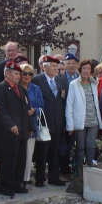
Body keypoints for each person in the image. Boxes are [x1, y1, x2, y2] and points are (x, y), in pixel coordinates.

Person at [0, 61, 34, 197]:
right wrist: (10, 125)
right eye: (16, 74)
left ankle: (17, 185)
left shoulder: (21, 89)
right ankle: (6, 186)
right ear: (7, 74)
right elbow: (1, 110)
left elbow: (26, 109)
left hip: (22, 130)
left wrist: (30, 126)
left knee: (20, 160)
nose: (19, 76)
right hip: (8, 132)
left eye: (19, 74)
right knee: (8, 161)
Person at [31, 55, 69, 187]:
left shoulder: (60, 81)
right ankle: (40, 178)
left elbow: (63, 101)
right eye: (53, 66)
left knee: (55, 152)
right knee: (42, 152)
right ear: (45, 66)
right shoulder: (37, 80)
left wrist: (64, 122)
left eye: (57, 66)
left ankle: (53, 177)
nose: (56, 68)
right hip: (44, 122)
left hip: (58, 122)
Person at [65, 59, 102, 193]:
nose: (86, 71)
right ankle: (79, 177)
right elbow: (69, 105)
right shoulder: (74, 84)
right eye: (84, 68)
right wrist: (70, 126)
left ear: (91, 71)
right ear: (80, 70)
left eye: (88, 69)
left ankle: (90, 177)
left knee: (91, 147)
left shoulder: (94, 83)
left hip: (93, 122)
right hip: (80, 122)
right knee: (80, 149)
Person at [19, 63, 43, 188]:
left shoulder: (36, 89)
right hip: (17, 126)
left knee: (29, 154)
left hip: (31, 126)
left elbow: (42, 106)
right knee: (18, 154)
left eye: (30, 74)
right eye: (24, 73)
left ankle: (26, 179)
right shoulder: (15, 87)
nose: (27, 76)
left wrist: (35, 110)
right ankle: (16, 178)